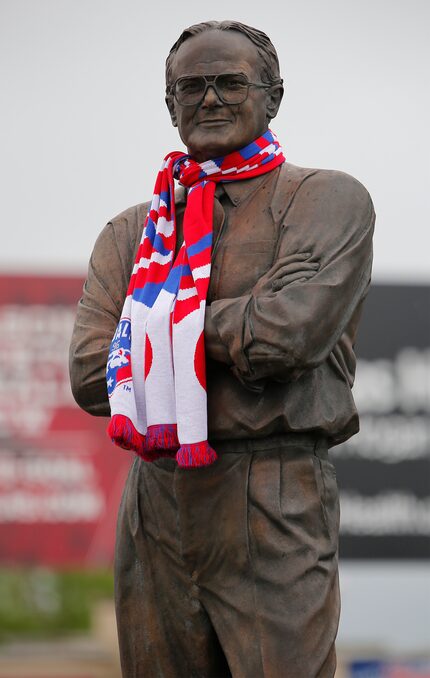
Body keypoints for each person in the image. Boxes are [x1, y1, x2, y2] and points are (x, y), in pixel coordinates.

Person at [69, 20, 375, 678]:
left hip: (274, 491)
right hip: (156, 502)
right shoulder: (129, 233)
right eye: (190, 87)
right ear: (170, 103)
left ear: (273, 96)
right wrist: (233, 327)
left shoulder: (326, 200)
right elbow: (92, 376)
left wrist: (154, 330)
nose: (208, 99)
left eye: (230, 82)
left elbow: (289, 335)